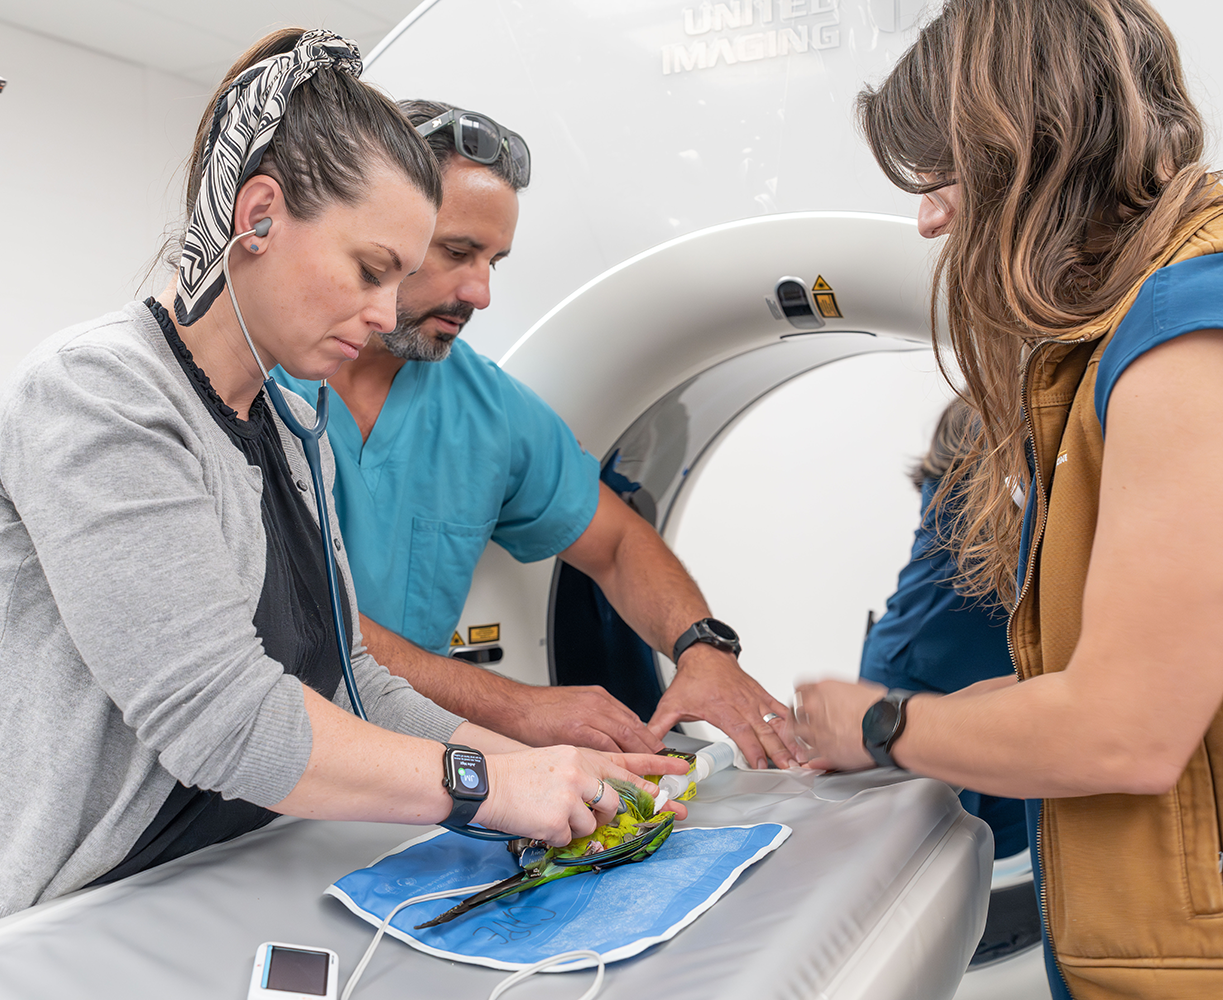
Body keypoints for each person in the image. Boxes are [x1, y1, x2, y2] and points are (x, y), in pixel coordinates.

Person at [0, 29, 686, 973]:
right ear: (258, 215)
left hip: (165, 897)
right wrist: (492, 779)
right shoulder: (98, 396)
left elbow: (353, 680)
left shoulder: (292, 430)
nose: (385, 312)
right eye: (372, 270)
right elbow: (225, 719)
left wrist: (553, 772)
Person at [794, 1, 1223, 997]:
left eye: (939, 176)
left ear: (1021, 148)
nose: (928, 217)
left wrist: (881, 723)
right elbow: (1141, 673)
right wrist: (965, 708)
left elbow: (1126, 730)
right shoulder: (1121, 336)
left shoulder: (1186, 327)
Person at [276, 99, 806, 770]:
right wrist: (519, 708)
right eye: (458, 252)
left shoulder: (483, 406)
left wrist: (703, 649)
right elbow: (305, 624)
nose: (480, 293)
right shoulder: (259, 386)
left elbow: (614, 543)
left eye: (493, 262)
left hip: (416, 763)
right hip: (261, 769)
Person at [858, 399, 1025, 859]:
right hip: (921, 672)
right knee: (937, 845)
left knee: (1002, 827)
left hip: (972, 662)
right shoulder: (982, 429)